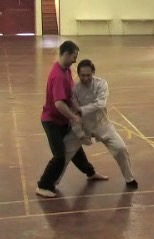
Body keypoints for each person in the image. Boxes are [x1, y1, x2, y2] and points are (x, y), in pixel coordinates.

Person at [36, 41, 107, 198]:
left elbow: (69, 95)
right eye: (74, 57)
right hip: (52, 122)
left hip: (62, 120)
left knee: (75, 149)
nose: (76, 60)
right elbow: (59, 104)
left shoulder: (66, 70)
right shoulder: (58, 76)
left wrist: (78, 108)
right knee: (60, 156)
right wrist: (74, 117)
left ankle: (90, 172)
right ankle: (43, 185)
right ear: (66, 54)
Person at [56, 59, 138, 189]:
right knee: (64, 154)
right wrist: (80, 133)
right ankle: (53, 183)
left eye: (88, 75)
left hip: (102, 125)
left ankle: (129, 178)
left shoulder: (101, 84)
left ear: (93, 72)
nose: (86, 78)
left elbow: (101, 104)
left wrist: (81, 109)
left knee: (120, 148)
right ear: (79, 75)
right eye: (82, 75)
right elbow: (73, 114)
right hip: (82, 125)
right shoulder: (75, 89)